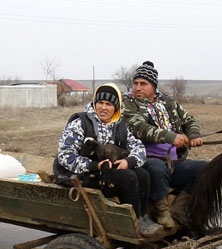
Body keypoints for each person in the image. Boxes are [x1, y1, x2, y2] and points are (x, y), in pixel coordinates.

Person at [54, 83, 163, 238]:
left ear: (116, 108)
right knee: (128, 177)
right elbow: (65, 155)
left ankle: (143, 217)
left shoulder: (119, 126)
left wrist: (129, 161)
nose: (103, 108)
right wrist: (94, 165)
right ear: (94, 103)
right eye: (100, 103)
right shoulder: (80, 124)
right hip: (81, 174)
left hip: (106, 172)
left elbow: (138, 147)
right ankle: (134, 222)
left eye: (109, 104)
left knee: (142, 174)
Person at [121, 61, 207, 230]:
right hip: (144, 161)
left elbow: (189, 120)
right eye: (136, 83)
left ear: (153, 86)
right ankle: (162, 213)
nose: (137, 88)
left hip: (174, 162)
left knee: (204, 170)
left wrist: (194, 135)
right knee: (157, 166)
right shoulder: (128, 103)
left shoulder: (168, 102)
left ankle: (180, 210)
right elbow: (139, 127)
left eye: (143, 84)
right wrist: (170, 137)